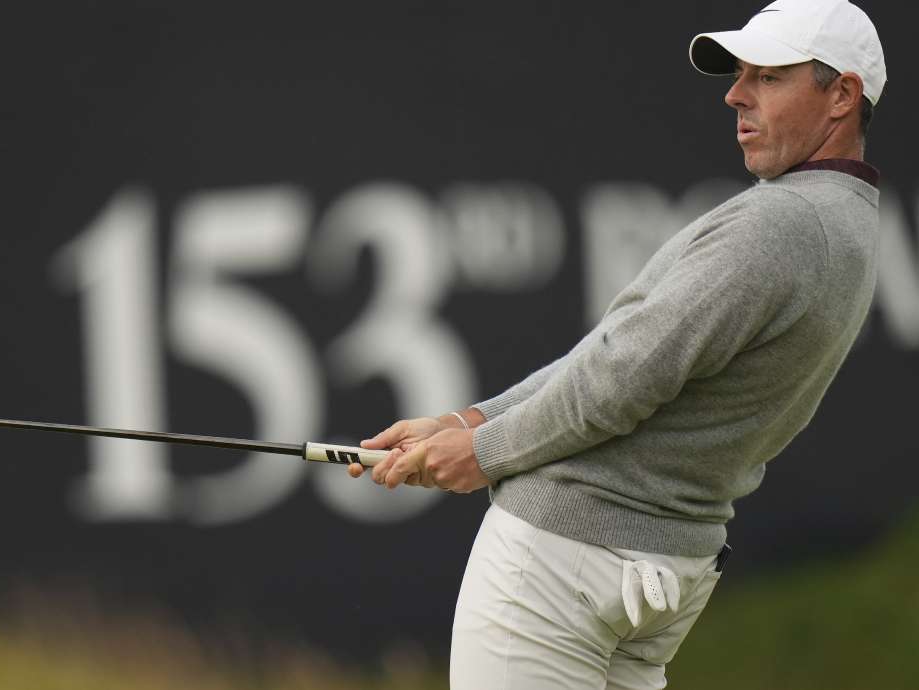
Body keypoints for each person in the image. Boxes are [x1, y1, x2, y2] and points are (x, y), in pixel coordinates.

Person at [346, 0, 887, 687]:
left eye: (769, 77)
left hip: (559, 569)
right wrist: (469, 419)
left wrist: (483, 450)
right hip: (662, 574)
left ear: (841, 94)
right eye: (740, 74)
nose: (734, 94)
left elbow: (619, 376)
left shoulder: (780, 225)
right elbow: (619, 350)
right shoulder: (851, 226)